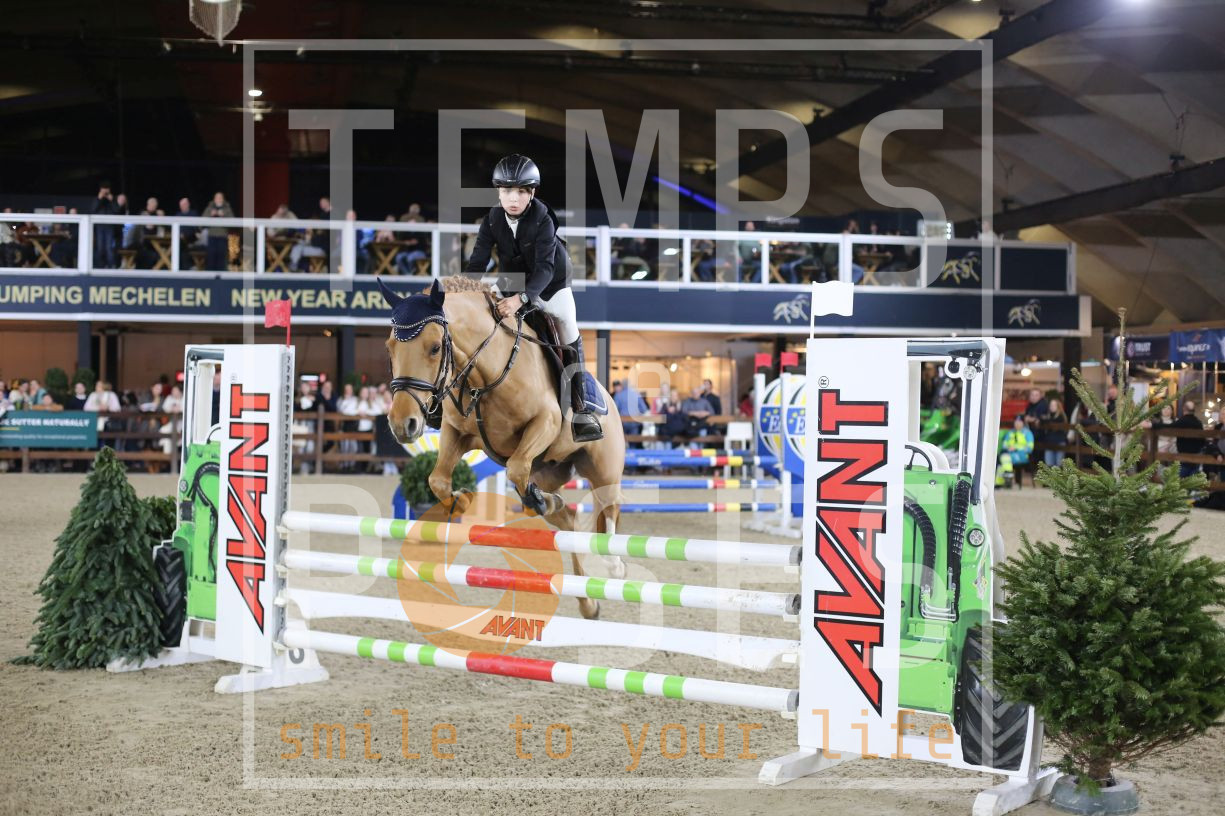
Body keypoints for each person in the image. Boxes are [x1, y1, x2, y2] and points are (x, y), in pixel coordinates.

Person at [464, 153, 603, 442]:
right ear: (498, 192)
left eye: (520, 191)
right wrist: (463, 291)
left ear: (532, 193)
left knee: (569, 329)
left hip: (551, 283)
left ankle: (581, 409)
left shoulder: (543, 219)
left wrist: (521, 300)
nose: (513, 198)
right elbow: (477, 263)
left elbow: (544, 270)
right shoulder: (492, 219)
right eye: (506, 191)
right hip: (512, 280)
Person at [1000, 414, 1034, 489]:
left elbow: (1030, 448)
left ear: (1023, 423)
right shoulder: (1010, 432)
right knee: (1003, 458)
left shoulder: (1027, 433)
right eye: (1016, 422)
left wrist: (1016, 448)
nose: (1017, 424)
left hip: (1023, 456)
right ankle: (1003, 481)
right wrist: (1009, 448)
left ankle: (1007, 480)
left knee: (1004, 458)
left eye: (1019, 422)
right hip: (1009, 453)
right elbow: (1004, 445)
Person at [1173, 400, 1204, 479]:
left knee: (1181, 478)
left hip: (1184, 454)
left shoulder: (1181, 421)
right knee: (1192, 478)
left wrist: (1152, 425)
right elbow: (1202, 440)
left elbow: (1169, 427)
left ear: (1184, 409)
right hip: (1196, 454)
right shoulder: (1198, 422)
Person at [612, 378, 648, 448]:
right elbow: (644, 409)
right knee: (633, 444)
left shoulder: (618, 395)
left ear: (622, 385)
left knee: (622, 444)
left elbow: (615, 410)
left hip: (623, 423)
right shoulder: (636, 394)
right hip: (635, 423)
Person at [91, 181, 119, 268]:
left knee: (109, 248)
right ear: (100, 189)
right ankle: (100, 266)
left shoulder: (113, 199)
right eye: (104, 189)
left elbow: (117, 211)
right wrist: (99, 199)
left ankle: (111, 266)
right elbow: (93, 210)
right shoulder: (97, 199)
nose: (105, 191)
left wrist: (112, 201)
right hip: (99, 226)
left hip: (110, 226)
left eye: (107, 189)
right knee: (100, 248)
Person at [203, 192, 233, 271]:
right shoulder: (209, 207)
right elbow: (202, 219)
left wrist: (223, 215)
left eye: (220, 198)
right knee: (211, 256)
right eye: (217, 198)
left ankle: (222, 274)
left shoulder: (227, 208)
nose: (218, 199)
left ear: (223, 199)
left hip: (222, 236)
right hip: (212, 236)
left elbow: (232, 220)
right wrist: (210, 214)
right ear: (214, 199)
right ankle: (210, 274)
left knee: (221, 256)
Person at [1040, 398, 1067, 467]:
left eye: (1054, 405)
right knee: (1049, 465)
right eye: (1051, 405)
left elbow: (1053, 422)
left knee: (1059, 465)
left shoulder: (1061, 416)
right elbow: (1042, 420)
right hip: (1049, 443)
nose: (1052, 407)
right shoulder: (1048, 416)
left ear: (1058, 407)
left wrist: (1045, 419)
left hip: (1059, 442)